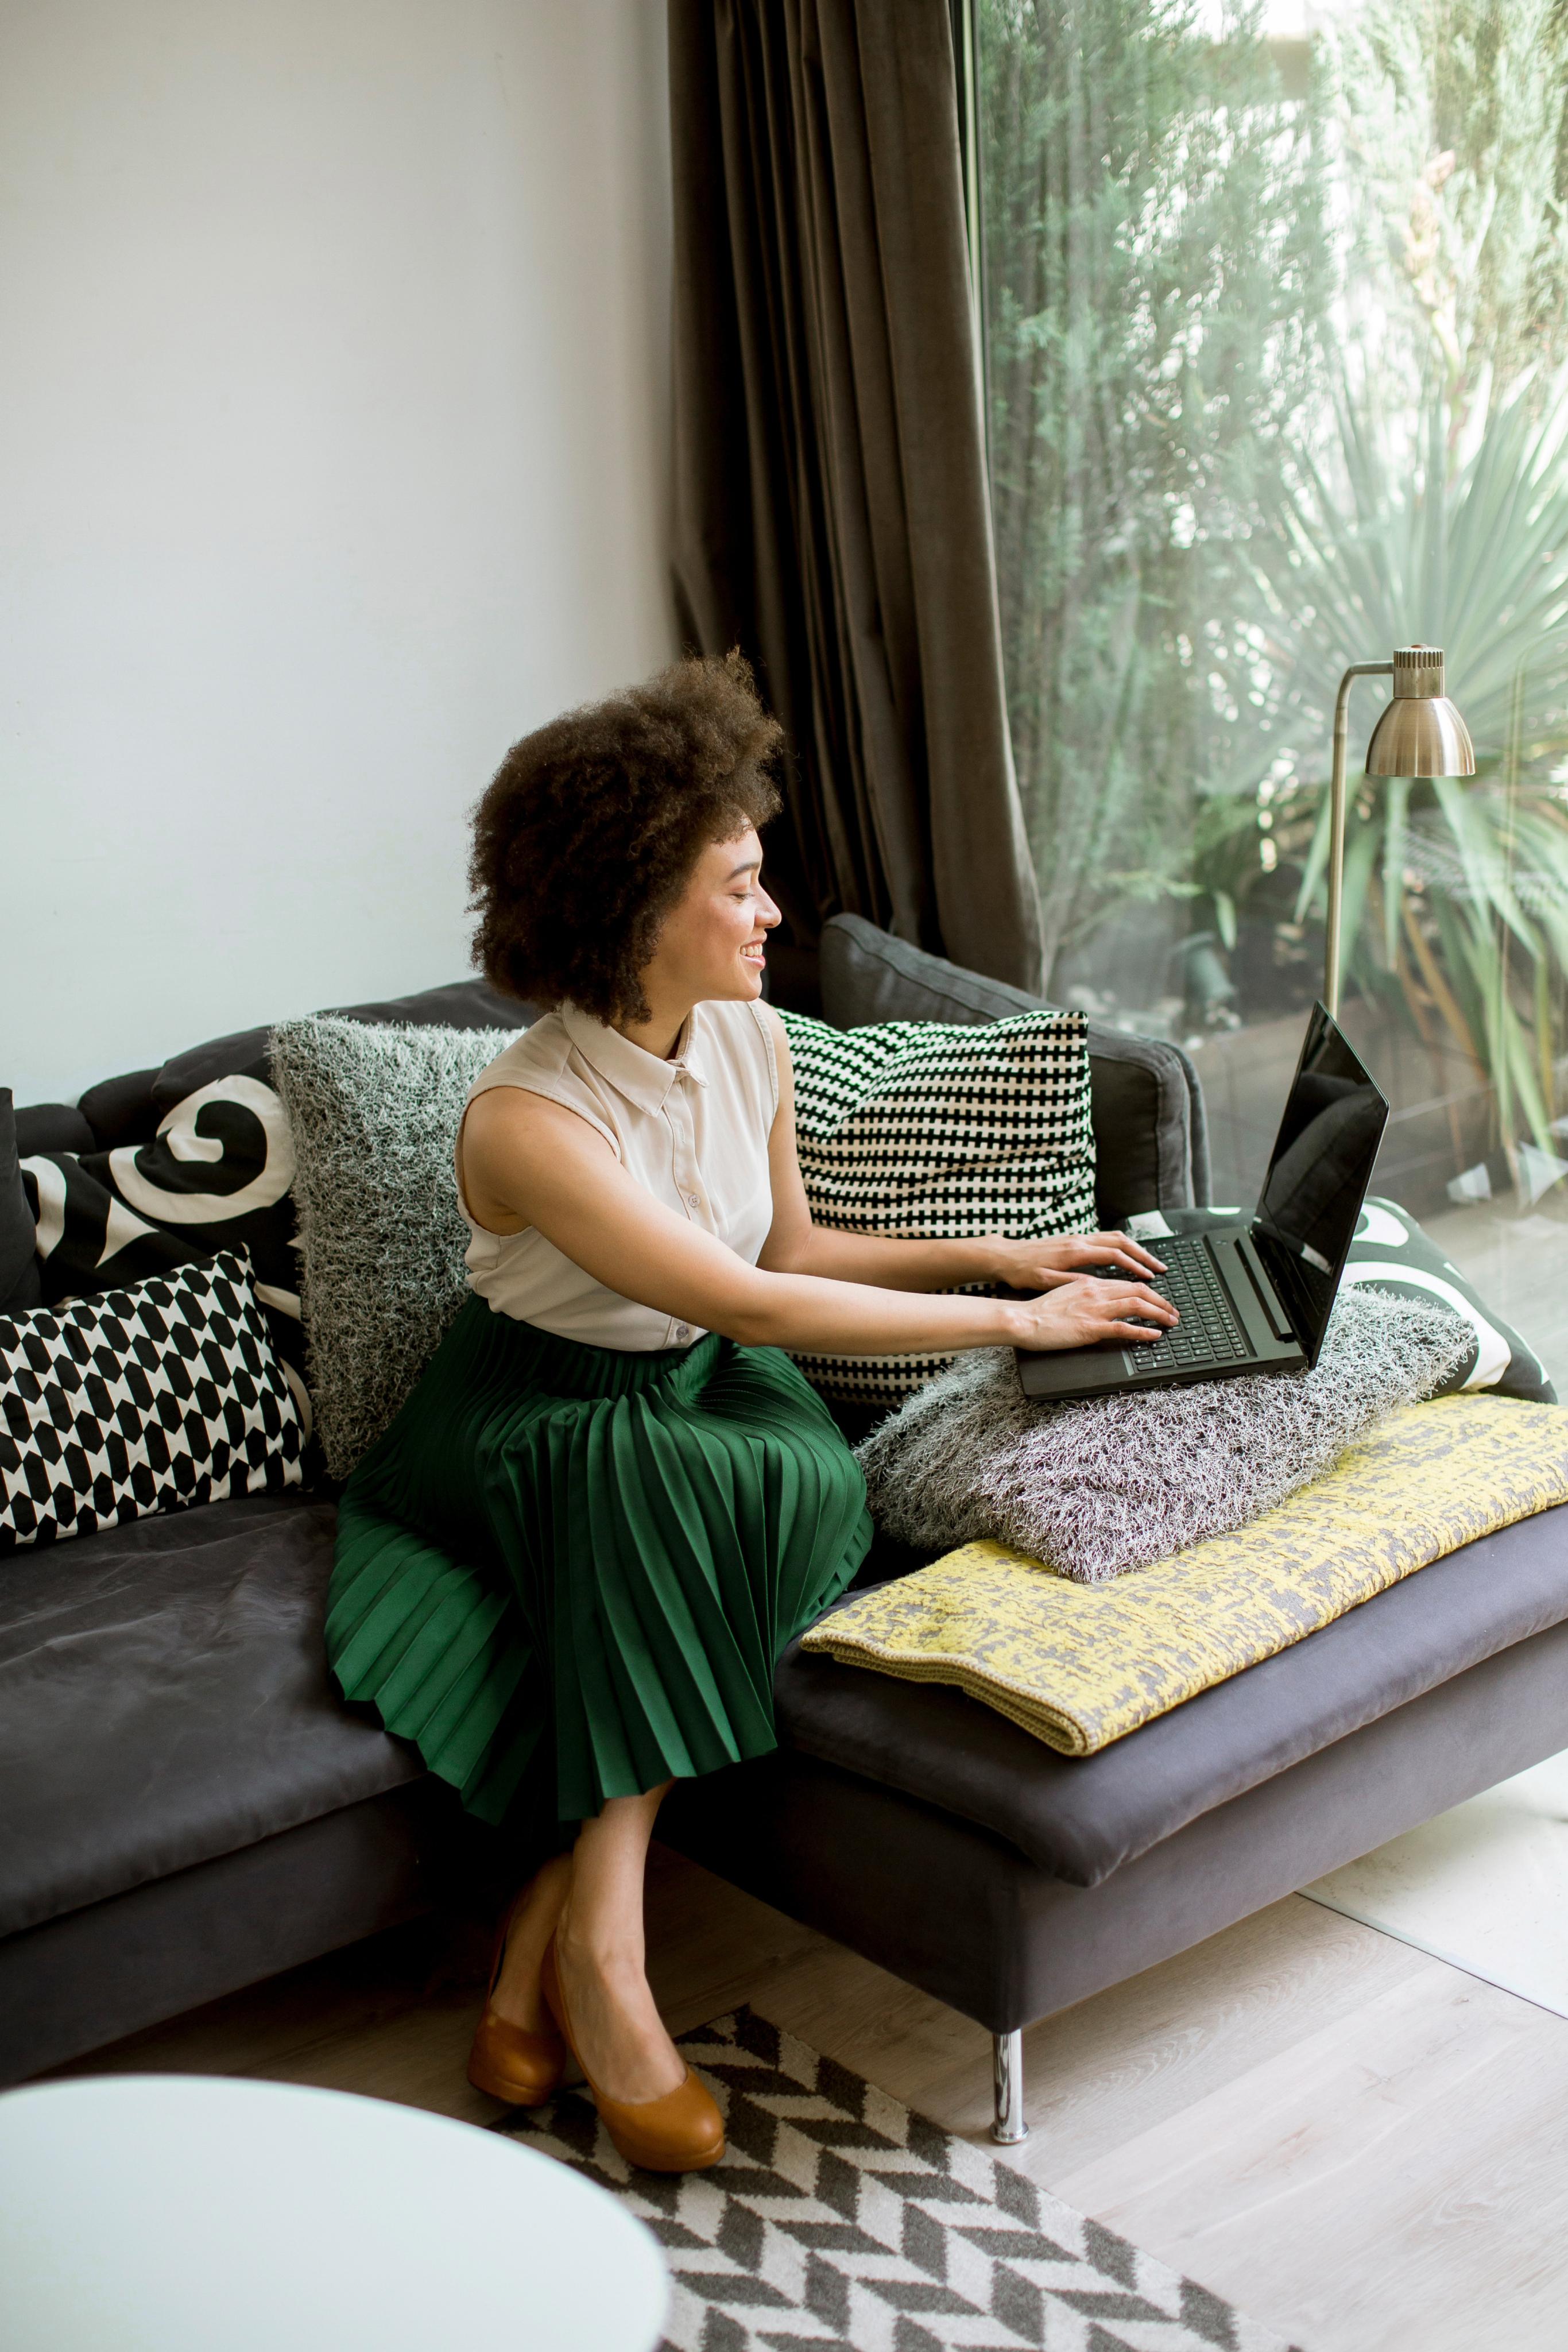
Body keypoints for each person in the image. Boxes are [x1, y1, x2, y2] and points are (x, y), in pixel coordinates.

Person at [326, 653, 1175, 2173]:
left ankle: (548, 1932)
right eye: (738, 884)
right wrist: (1013, 1322)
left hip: (695, 1383)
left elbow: (786, 1250)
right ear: (633, 906)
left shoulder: (752, 1039)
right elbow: (750, 1302)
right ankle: (611, 1976)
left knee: (807, 1492)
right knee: (641, 1495)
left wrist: (994, 1248)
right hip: (533, 1412)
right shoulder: (526, 1120)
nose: (770, 911)